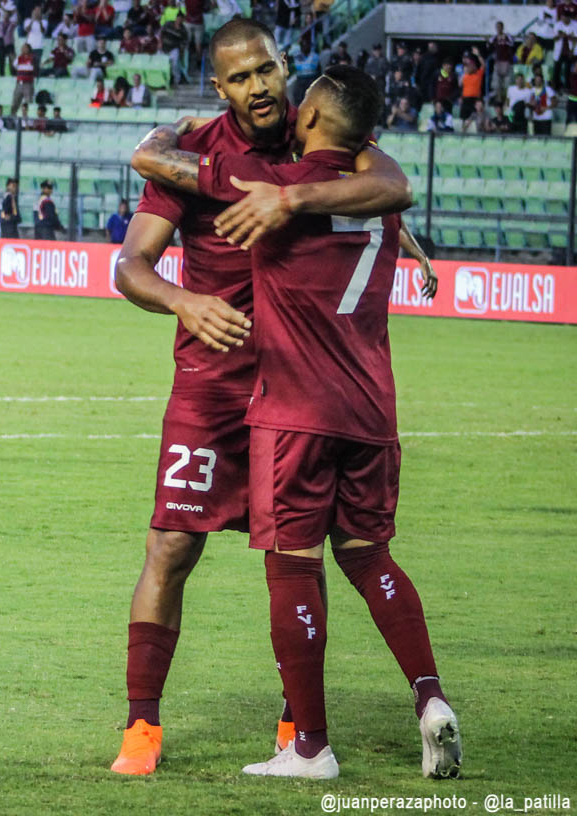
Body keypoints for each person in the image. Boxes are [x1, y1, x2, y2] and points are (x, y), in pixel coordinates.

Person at [128, 63, 459, 781]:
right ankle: (429, 698)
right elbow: (391, 189)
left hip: (294, 406)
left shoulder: (262, 189)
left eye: (278, 73)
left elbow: (151, 156)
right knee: (364, 555)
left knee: (292, 565)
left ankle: (307, 741)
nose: (272, 86)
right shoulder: (374, 195)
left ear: (304, 109)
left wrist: (174, 137)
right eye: (244, 73)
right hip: (364, 405)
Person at [487, 21, 515, 101]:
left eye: (500, 27)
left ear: (503, 27)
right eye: (497, 27)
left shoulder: (507, 36)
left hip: (507, 62)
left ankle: (507, 100)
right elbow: (488, 46)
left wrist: (504, 40)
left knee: (507, 83)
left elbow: (512, 43)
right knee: (497, 83)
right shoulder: (494, 38)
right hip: (498, 62)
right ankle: (499, 100)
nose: (498, 28)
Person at [11, 43, 38, 113]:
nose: (23, 49)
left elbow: (35, 68)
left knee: (28, 103)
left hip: (28, 84)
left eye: (25, 48)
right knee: (15, 103)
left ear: (29, 49)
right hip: (19, 83)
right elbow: (15, 66)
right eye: (22, 48)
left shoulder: (32, 58)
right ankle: (13, 118)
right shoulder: (19, 58)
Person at [458, 50, 484, 120]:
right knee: (463, 118)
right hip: (465, 100)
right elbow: (460, 87)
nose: (468, 67)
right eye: (467, 66)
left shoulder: (478, 74)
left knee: (474, 118)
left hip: (475, 100)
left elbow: (483, 65)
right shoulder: (464, 76)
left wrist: (478, 54)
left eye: (470, 65)